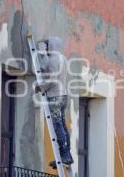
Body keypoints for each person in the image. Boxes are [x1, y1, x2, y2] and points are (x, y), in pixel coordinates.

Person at [35, 36, 73, 167]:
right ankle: (67, 153)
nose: (46, 47)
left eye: (47, 45)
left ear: (51, 45)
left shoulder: (53, 60)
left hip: (55, 97)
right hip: (63, 96)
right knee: (62, 124)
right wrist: (44, 54)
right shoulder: (63, 58)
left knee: (57, 125)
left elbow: (51, 79)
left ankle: (64, 154)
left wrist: (40, 87)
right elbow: (49, 68)